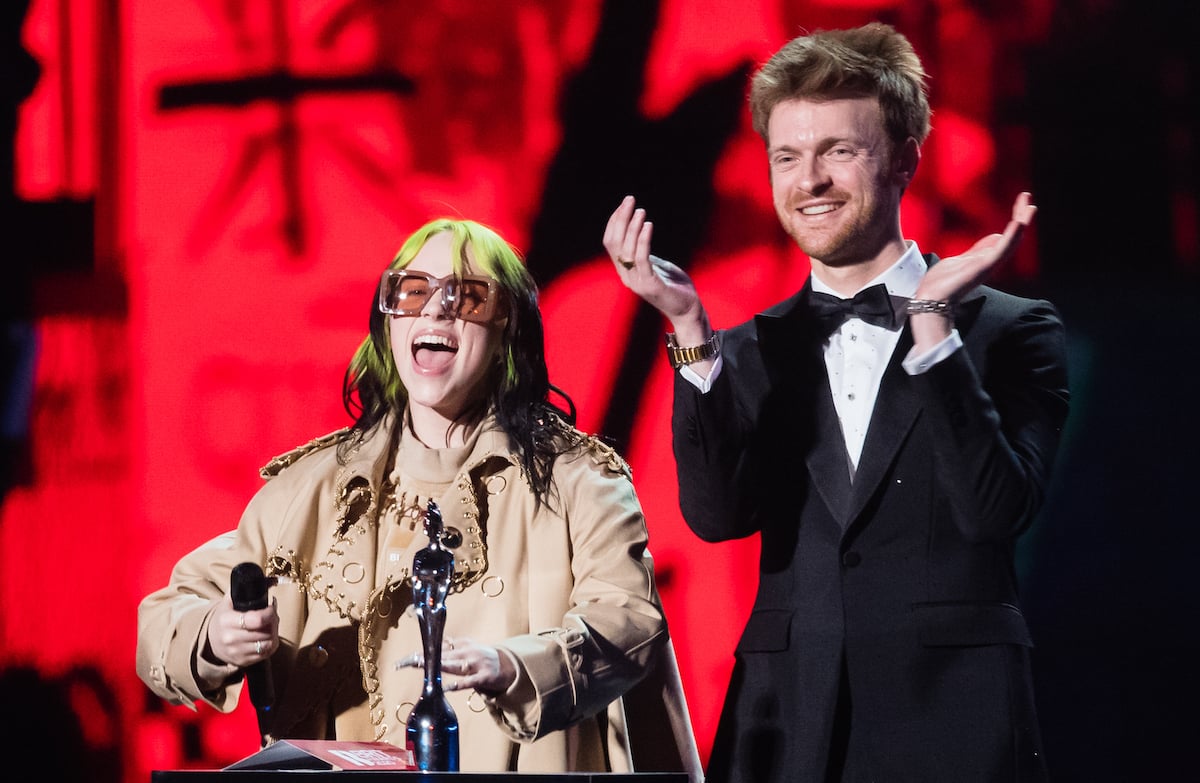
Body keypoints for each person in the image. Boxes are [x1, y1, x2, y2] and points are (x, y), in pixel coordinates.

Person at [603, 22, 1069, 783]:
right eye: (787, 156)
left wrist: (933, 332)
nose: (808, 180)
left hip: (955, 721)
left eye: (838, 152)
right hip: (786, 721)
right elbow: (719, 517)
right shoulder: (750, 346)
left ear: (904, 160)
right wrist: (690, 330)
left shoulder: (1013, 331)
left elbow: (995, 511)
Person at [136, 218, 702, 780]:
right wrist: (215, 632)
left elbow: (629, 623)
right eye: (412, 292)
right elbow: (165, 618)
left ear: (509, 328)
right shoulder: (314, 488)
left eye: (467, 297)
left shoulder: (578, 481)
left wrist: (514, 666)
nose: (435, 310)